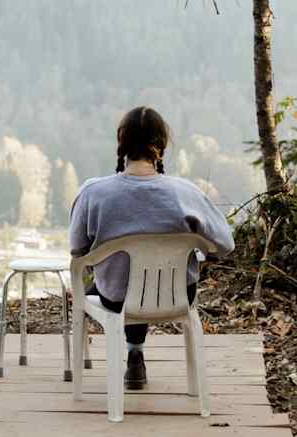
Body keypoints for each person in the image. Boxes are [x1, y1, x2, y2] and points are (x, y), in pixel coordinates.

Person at [68, 105, 234, 390]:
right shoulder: (186, 192)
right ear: (163, 145)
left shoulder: (93, 193)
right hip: (178, 293)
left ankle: (134, 353)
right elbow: (226, 245)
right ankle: (136, 352)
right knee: (145, 282)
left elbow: (77, 249)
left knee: (119, 280)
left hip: (116, 296)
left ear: (121, 140)